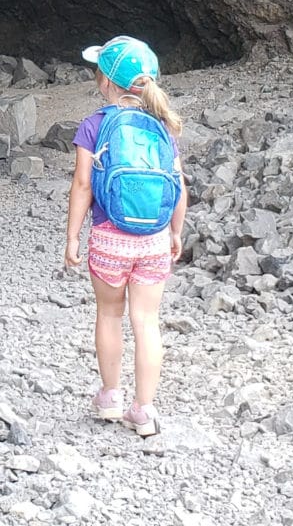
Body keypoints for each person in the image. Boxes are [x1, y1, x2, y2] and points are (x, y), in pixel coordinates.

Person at [64, 35, 185, 435]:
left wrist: (72, 238)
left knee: (110, 314)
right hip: (152, 240)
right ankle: (144, 410)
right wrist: (175, 231)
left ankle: (111, 396)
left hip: (108, 238)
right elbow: (178, 186)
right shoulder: (163, 125)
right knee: (147, 321)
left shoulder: (94, 125)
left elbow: (83, 185)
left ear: (106, 81)